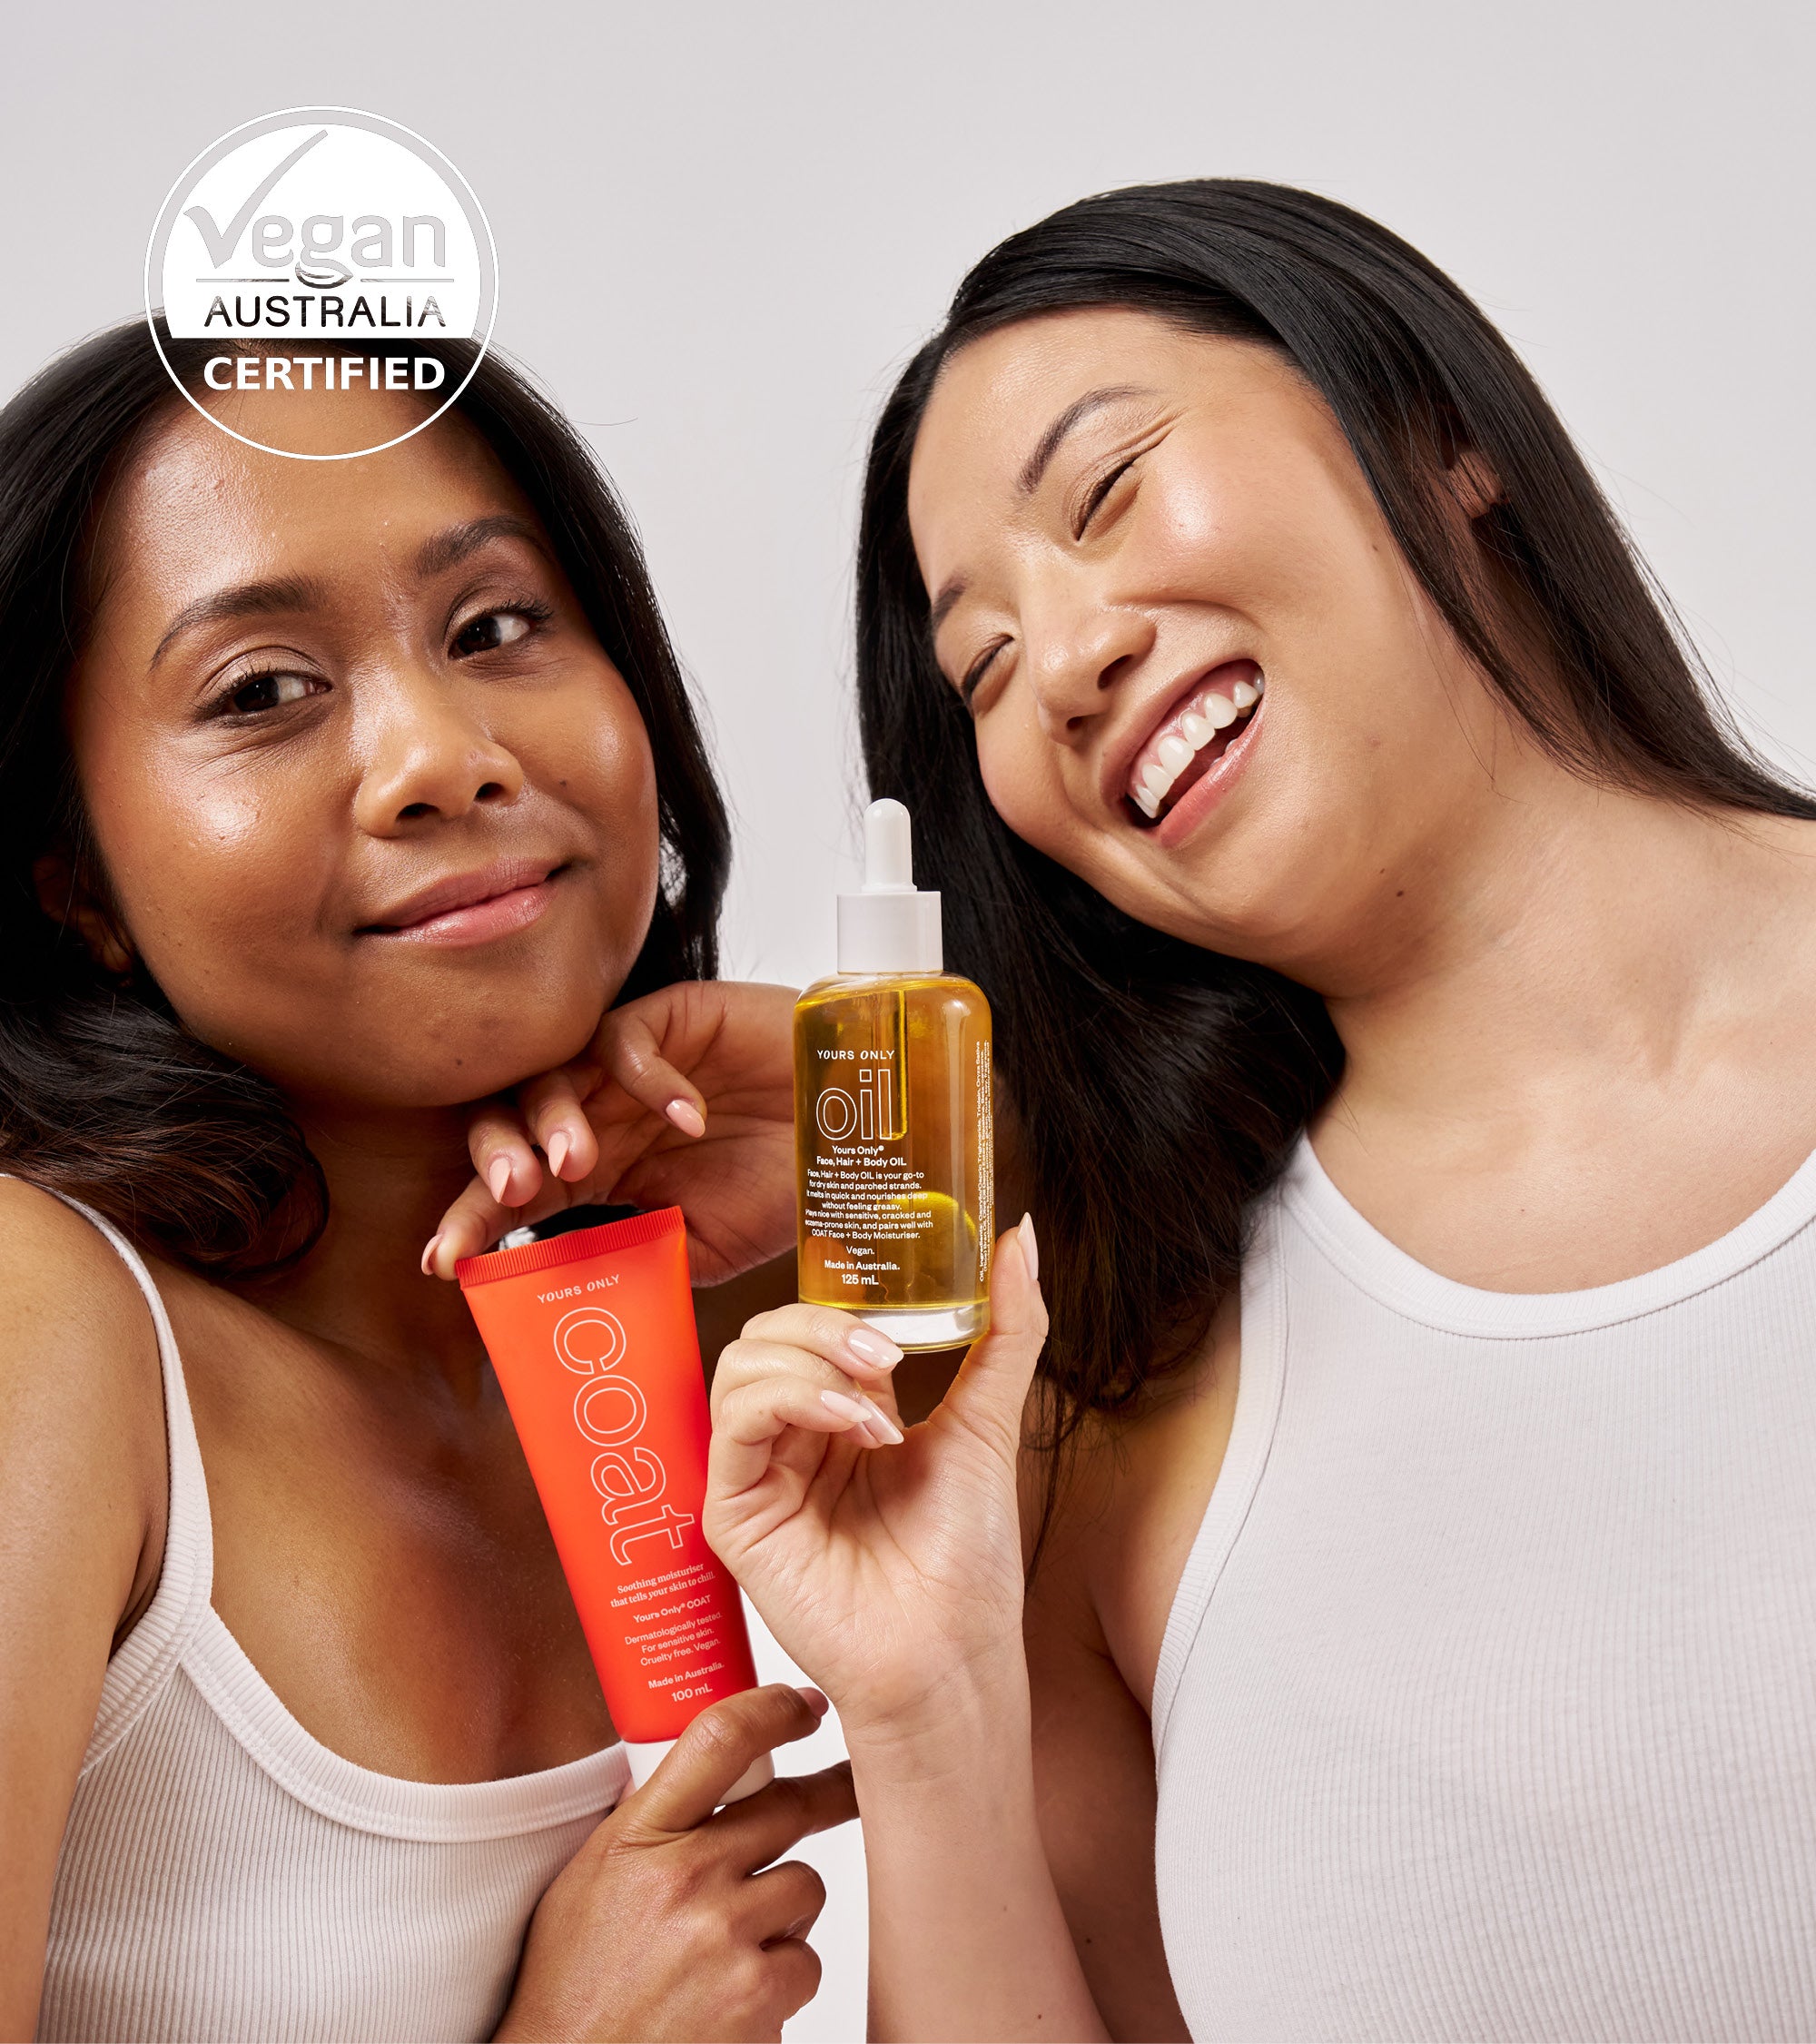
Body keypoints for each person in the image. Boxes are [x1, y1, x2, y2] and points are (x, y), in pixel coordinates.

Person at [444, 182, 1816, 2040]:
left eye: (1103, 494)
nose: (1070, 661)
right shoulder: (1113, 1386)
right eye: (984, 670)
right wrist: (926, 1717)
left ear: (1433, 427)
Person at [0, 321, 853, 2044]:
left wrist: (909, 1134)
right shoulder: (43, 1324)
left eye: (496, 626)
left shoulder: (717, 1304)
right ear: (72, 883)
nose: (443, 753)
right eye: (262, 691)